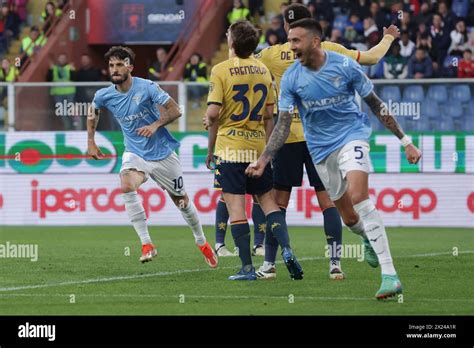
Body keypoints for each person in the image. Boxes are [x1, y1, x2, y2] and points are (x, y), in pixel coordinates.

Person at [246, 18, 422, 299]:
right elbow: (281, 124)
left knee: (359, 196)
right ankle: (366, 236)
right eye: (289, 40)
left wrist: (406, 141)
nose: (291, 47)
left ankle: (390, 275)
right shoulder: (292, 78)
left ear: (315, 41)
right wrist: (265, 159)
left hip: (352, 137)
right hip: (320, 150)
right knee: (349, 217)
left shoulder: (345, 66)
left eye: (296, 41)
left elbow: (375, 105)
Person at [87, 46, 218, 268]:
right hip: (135, 152)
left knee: (182, 202)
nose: (115, 69)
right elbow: (93, 112)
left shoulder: (147, 87)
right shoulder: (103, 95)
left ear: (130, 67)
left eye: (120, 64)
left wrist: (155, 125)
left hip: (163, 154)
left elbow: (176, 110)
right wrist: (91, 141)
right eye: (111, 65)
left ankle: (201, 241)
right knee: (127, 185)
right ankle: (147, 244)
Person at [203, 21, 303, 281]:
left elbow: (213, 113)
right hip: (258, 149)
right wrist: (267, 153)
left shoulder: (221, 69)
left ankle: (247, 268)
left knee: (237, 208)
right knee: (269, 205)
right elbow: (270, 115)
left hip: (231, 150)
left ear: (232, 43)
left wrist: (207, 119)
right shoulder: (263, 70)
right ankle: (288, 250)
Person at [47, 53, 77, 130]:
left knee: (72, 112)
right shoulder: (53, 68)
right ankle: (68, 128)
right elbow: (48, 79)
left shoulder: (69, 67)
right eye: (61, 58)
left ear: (66, 59)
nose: (62, 60)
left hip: (70, 93)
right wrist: (50, 70)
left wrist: (73, 70)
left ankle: (75, 127)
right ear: (58, 59)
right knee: (62, 113)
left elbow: (75, 79)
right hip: (58, 94)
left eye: (64, 58)